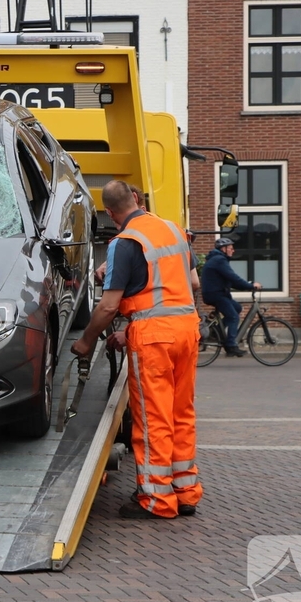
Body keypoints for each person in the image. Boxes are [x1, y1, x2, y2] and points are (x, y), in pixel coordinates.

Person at [71, 179, 202, 519]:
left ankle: (157, 500)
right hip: (187, 329)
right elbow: (191, 284)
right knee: (180, 412)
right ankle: (186, 492)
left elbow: (108, 307)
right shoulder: (174, 230)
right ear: (138, 199)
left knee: (151, 418)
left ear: (110, 213)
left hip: (154, 339)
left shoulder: (123, 243)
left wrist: (85, 341)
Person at [200, 237, 260, 357]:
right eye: (231, 248)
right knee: (233, 317)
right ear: (224, 249)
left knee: (237, 308)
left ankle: (215, 331)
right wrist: (250, 286)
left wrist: (247, 286)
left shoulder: (218, 259)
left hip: (216, 293)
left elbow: (231, 281)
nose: (233, 251)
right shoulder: (219, 260)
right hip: (215, 295)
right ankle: (231, 346)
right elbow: (233, 277)